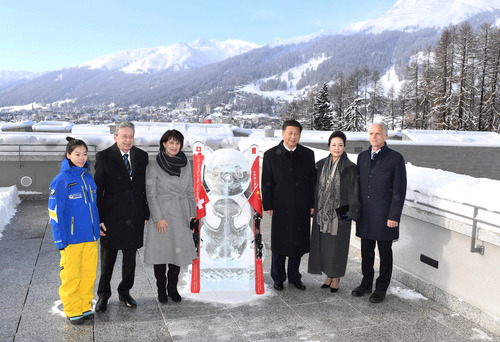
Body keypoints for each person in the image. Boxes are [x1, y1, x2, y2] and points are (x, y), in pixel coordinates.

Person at [94, 122, 150, 312]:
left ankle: (125, 292)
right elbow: (98, 190)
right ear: (115, 137)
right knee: (107, 260)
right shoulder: (104, 157)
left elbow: (144, 187)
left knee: (130, 260)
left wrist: (145, 211)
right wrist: (99, 218)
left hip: (134, 216)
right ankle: (103, 295)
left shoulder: (142, 156)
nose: (128, 140)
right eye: (124, 136)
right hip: (111, 217)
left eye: (131, 136)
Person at [351, 122, 407, 303]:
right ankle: (366, 283)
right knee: (366, 251)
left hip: (384, 216)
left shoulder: (395, 158)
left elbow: (399, 189)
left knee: (384, 253)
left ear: (385, 137)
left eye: (378, 134)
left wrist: (394, 216)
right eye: (371, 133)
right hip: (366, 215)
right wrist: (355, 211)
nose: (374, 137)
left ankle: (381, 288)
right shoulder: (362, 157)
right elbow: (357, 187)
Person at [48, 137, 100, 325]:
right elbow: (55, 213)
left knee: (88, 275)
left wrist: (98, 225)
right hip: (72, 239)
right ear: (68, 155)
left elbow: (93, 207)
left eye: (85, 154)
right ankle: (72, 309)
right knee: (71, 276)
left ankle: (85, 306)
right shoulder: (60, 180)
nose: (82, 158)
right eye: (77, 154)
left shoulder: (87, 176)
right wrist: (60, 240)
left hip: (91, 237)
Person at [262, 120, 316, 291]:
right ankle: (278, 277)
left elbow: (313, 181)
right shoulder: (271, 155)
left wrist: (312, 203)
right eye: (290, 133)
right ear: (283, 133)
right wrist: (268, 204)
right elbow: (267, 182)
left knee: (297, 244)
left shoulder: (308, 154)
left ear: (300, 135)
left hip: (301, 206)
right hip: (280, 206)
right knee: (279, 244)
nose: (293, 136)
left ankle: (294, 277)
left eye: (296, 133)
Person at [143, 130, 196, 303]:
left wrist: (192, 214)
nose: (174, 146)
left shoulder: (186, 163)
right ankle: (161, 288)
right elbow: (150, 194)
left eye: (177, 143)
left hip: (181, 213)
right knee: (161, 253)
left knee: (177, 253)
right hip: (162, 212)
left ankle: (172, 288)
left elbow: (189, 190)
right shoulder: (154, 165)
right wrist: (158, 218)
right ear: (164, 143)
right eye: (171, 142)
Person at [308, 131, 360, 292]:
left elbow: (354, 191)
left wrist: (352, 212)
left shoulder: (350, 167)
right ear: (329, 146)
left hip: (340, 212)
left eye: (340, 145)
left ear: (344, 147)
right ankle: (328, 276)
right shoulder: (321, 164)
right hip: (322, 212)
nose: (337, 148)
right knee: (325, 245)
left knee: (338, 246)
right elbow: (314, 187)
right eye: (334, 145)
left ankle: (336, 277)